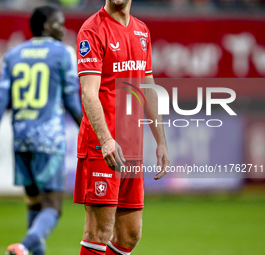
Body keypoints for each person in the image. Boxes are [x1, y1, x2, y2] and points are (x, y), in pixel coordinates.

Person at [0, 6, 82, 255]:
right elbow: (72, 102)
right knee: (53, 207)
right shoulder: (64, 53)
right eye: (59, 23)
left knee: (34, 204)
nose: (64, 27)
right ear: (47, 26)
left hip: (21, 138)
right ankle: (23, 247)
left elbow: (1, 100)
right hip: (48, 138)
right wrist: (91, 133)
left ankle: (29, 251)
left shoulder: (14, 54)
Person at [73, 0, 170, 254]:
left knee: (130, 235)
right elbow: (89, 94)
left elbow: (148, 87)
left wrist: (161, 141)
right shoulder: (92, 30)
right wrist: (105, 139)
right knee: (99, 233)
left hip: (132, 147)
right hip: (102, 147)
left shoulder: (142, 31)